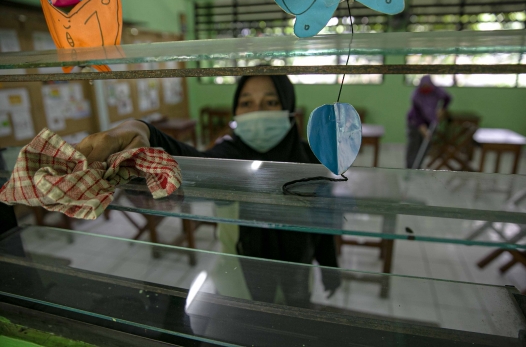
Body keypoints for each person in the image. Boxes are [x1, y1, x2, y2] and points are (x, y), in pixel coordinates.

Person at [76, 75, 340, 307]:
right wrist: (142, 130)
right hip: (237, 286)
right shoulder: (229, 158)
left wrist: (330, 269)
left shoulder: (311, 159)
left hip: (298, 280)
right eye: (246, 103)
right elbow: (192, 163)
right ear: (236, 111)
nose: (257, 111)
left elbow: (323, 222)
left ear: (288, 108)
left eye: (270, 102)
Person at [406, 75, 452, 169]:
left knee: (426, 145)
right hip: (415, 122)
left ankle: (418, 167)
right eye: (424, 87)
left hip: (430, 121)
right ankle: (410, 168)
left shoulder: (437, 91)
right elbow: (416, 114)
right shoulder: (416, 95)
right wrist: (422, 128)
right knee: (414, 145)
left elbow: (448, 98)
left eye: (428, 87)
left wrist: (442, 110)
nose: (426, 89)